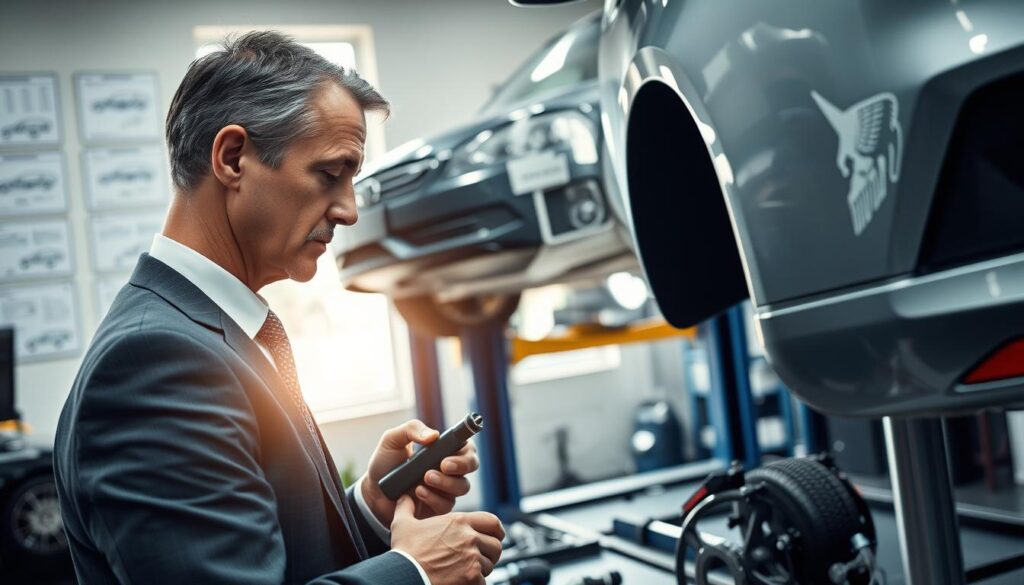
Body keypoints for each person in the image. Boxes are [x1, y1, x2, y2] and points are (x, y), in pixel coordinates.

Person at [54, 31, 504, 585]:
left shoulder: (221, 332)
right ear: (233, 157)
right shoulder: (154, 364)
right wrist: (416, 572)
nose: (348, 211)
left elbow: (266, 555)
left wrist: (369, 509)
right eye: (329, 174)